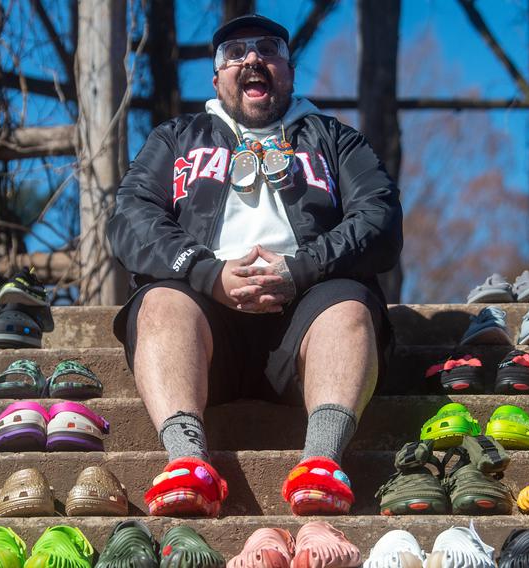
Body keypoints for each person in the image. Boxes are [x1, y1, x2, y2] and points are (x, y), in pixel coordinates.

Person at [108, 13, 402, 518]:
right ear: (216, 77)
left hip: (308, 314)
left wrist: (304, 268)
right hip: (205, 317)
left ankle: (322, 464)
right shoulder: (177, 137)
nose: (251, 59)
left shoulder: (335, 139)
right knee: (158, 302)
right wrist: (204, 272)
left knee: (351, 307)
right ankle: (186, 463)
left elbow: (379, 215)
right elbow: (131, 217)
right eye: (233, 54)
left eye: (268, 49)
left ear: (288, 71)